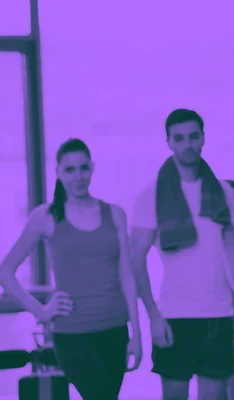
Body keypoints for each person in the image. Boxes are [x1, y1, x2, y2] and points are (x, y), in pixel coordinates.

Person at [0, 138, 142, 400]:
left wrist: (137, 334)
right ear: (58, 172)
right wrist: (41, 311)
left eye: (83, 168)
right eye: (70, 170)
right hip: (72, 332)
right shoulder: (46, 217)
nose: (78, 176)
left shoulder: (115, 214)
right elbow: (5, 271)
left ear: (92, 168)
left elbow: (127, 276)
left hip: (115, 328)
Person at [129, 108, 234, 400]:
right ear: (169, 142)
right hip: (174, 315)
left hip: (218, 315)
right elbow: (136, 259)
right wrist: (153, 317)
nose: (188, 144)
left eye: (194, 136)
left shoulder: (225, 192)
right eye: (180, 138)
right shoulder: (151, 195)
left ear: (203, 138)